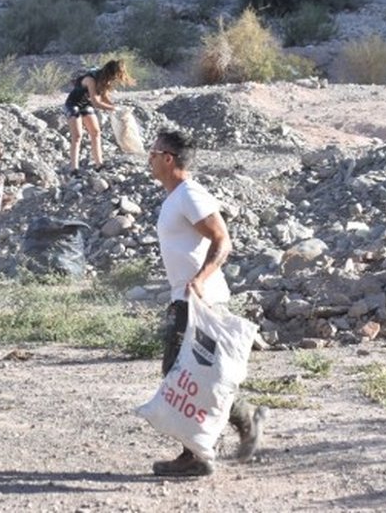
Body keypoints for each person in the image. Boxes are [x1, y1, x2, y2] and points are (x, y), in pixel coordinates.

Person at [147, 130, 261, 477]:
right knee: (192, 375)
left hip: (201, 301)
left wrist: (200, 279)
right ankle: (245, 421)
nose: (148, 158)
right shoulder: (175, 197)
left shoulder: (190, 195)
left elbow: (222, 240)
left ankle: (196, 455)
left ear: (168, 159)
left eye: (153, 152)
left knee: (184, 375)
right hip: (186, 299)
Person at [64, 59, 132, 175]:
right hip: (73, 104)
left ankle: (99, 165)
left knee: (95, 133)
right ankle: (73, 169)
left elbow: (104, 98)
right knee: (77, 136)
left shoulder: (104, 80)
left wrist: (117, 108)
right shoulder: (91, 79)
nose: (114, 80)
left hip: (85, 105)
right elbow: (96, 102)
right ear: (109, 73)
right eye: (114, 77)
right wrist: (113, 109)